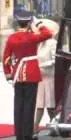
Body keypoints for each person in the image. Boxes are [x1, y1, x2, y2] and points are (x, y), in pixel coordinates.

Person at [2, 11, 52, 140]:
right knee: (29, 105)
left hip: (18, 74)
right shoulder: (32, 37)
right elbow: (48, 33)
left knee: (18, 105)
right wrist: (39, 23)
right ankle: (27, 135)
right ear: (29, 23)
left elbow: (6, 58)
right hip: (31, 73)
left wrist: (8, 73)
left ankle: (19, 134)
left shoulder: (12, 38)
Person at [32, 19, 59, 138]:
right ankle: (35, 128)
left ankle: (53, 127)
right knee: (40, 104)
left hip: (49, 77)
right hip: (40, 77)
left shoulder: (52, 43)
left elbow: (54, 60)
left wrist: (42, 65)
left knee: (50, 105)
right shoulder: (40, 43)